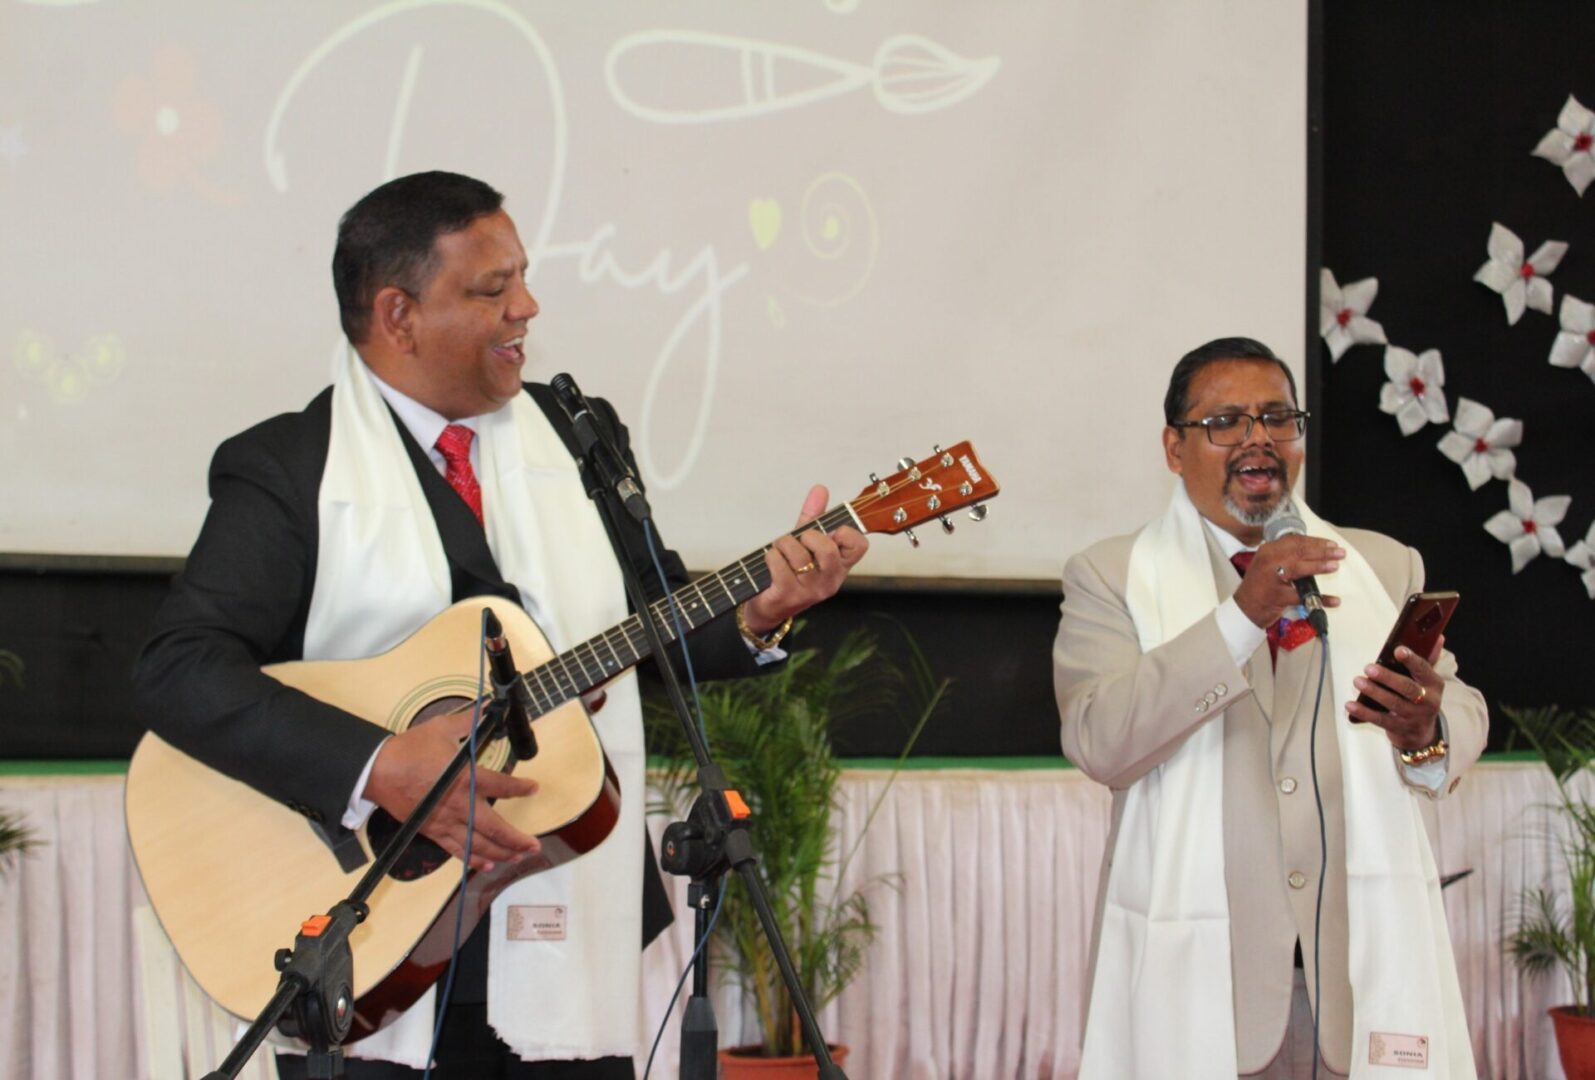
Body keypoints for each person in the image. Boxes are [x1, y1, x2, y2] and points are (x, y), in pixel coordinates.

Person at [133, 170, 867, 1078]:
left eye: (523, 277)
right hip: (374, 924)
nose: (527, 306)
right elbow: (179, 669)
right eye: (492, 288)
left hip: (561, 896)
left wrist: (757, 612)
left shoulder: (577, 433)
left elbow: (650, 624)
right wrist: (380, 764)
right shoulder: (290, 466)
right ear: (398, 315)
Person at [1053, 337, 1484, 1079]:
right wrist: (1239, 617)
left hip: (1356, 974)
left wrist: (1425, 731)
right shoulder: (1112, 575)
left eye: (1277, 418)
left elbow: (1460, 709)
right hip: (1208, 981)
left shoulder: (1380, 566)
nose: (1257, 438)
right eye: (1225, 422)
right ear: (1174, 448)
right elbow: (1100, 740)